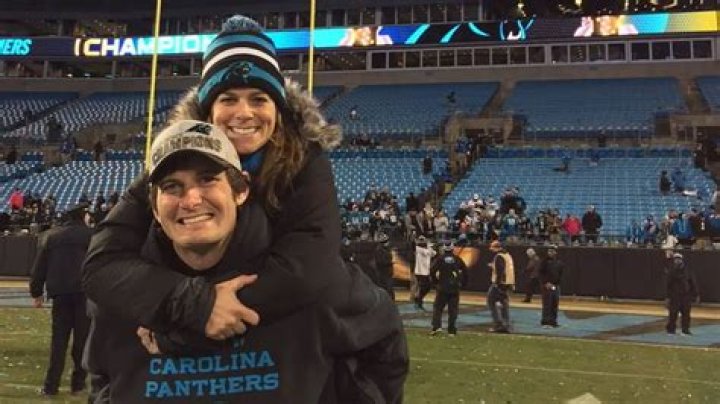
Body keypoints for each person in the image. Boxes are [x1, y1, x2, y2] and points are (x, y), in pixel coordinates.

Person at [84, 120, 408, 403]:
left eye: (208, 179)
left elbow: (384, 341)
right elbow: (102, 374)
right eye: (172, 186)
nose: (191, 200)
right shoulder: (126, 291)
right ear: (154, 209)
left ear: (240, 191)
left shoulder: (311, 281)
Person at [82, 15, 347, 347]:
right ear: (208, 111)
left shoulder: (305, 161)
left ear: (278, 109)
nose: (244, 113)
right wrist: (194, 304)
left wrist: (188, 326)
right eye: (228, 99)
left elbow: (306, 269)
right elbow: (102, 265)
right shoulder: (174, 161)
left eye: (259, 99)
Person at [29, 203, 93, 396]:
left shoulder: (52, 237)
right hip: (84, 294)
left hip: (60, 294)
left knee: (58, 342)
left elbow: (39, 267)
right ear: (82, 215)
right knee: (82, 340)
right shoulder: (92, 236)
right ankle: (78, 384)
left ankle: (51, 386)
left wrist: (36, 292)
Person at [429, 243, 468, 336]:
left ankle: (437, 326)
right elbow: (465, 272)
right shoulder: (457, 259)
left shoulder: (440, 259)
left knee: (438, 308)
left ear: (444, 248)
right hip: (454, 288)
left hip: (442, 287)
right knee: (453, 310)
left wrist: (435, 282)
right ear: (452, 248)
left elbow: (432, 271)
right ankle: (451, 330)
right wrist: (462, 284)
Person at [665, 253, 698, 336]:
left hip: (686, 296)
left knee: (686, 314)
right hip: (674, 296)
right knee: (673, 314)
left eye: (679, 259)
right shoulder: (671, 271)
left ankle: (685, 330)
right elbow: (668, 285)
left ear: (682, 260)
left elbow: (692, 282)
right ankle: (671, 330)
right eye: (675, 259)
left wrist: (696, 294)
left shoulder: (688, 271)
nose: (677, 260)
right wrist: (668, 297)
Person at [487, 240, 515, 333]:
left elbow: (500, 271)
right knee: (504, 305)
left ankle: (498, 325)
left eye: (493, 247)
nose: (491, 249)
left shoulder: (499, 256)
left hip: (500, 284)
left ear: (497, 248)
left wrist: (497, 284)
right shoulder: (508, 255)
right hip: (508, 284)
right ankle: (506, 325)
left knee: (491, 302)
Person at [539, 245, 564, 328]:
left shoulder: (559, 262)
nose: (550, 253)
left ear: (555, 252)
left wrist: (556, 284)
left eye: (552, 251)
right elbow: (540, 273)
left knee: (554, 304)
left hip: (555, 286)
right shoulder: (544, 262)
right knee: (547, 304)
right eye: (549, 251)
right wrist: (546, 283)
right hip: (547, 286)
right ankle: (545, 322)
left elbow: (561, 274)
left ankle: (553, 321)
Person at [412, 236, 436, 311]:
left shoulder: (427, 249)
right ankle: (418, 301)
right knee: (424, 287)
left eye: (423, 241)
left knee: (427, 287)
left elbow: (434, 253)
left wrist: (429, 246)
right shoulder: (418, 249)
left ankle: (418, 299)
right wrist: (429, 245)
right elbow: (427, 252)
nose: (422, 242)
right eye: (421, 241)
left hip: (426, 272)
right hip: (420, 272)